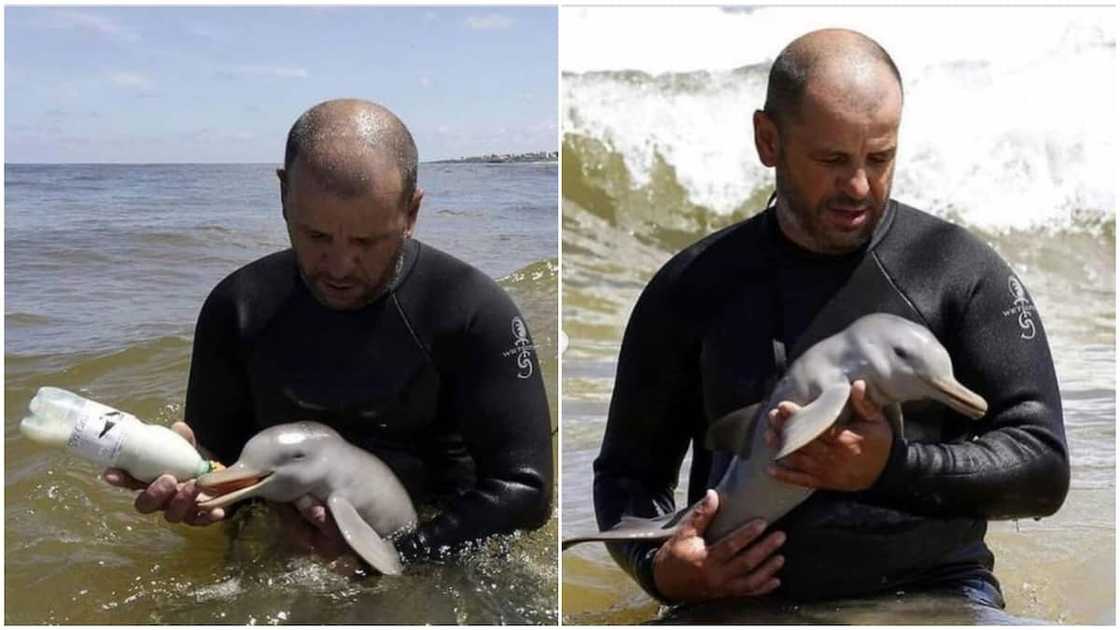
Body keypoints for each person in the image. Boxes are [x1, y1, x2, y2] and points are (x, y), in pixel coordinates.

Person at [593, 29, 1068, 608]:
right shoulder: (690, 288)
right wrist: (662, 573)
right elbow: (627, 477)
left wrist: (891, 468)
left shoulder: (957, 271)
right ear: (768, 140)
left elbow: (1041, 469)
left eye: (880, 157)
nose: (860, 186)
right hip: (734, 607)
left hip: (935, 594)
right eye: (832, 159)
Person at [104, 98, 553, 564]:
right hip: (291, 541)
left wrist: (398, 556)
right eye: (316, 236)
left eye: (367, 241)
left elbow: (526, 492)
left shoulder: (472, 311)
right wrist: (193, 484)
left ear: (411, 212)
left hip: (437, 547)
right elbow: (223, 467)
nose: (339, 267)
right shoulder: (236, 308)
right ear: (283, 195)